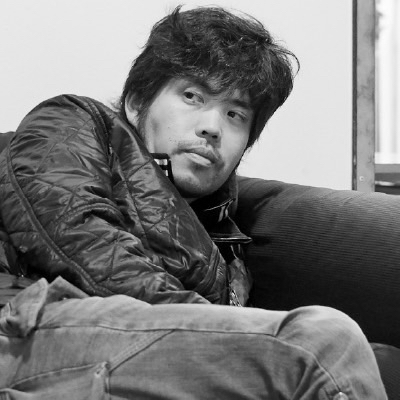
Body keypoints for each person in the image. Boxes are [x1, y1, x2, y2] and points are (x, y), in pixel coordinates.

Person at [0, 5, 387, 399]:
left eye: (234, 114)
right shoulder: (76, 120)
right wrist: (219, 326)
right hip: (28, 326)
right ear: (137, 102)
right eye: (192, 96)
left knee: (380, 360)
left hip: (132, 350)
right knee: (322, 345)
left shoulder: (226, 246)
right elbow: (79, 236)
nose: (212, 127)